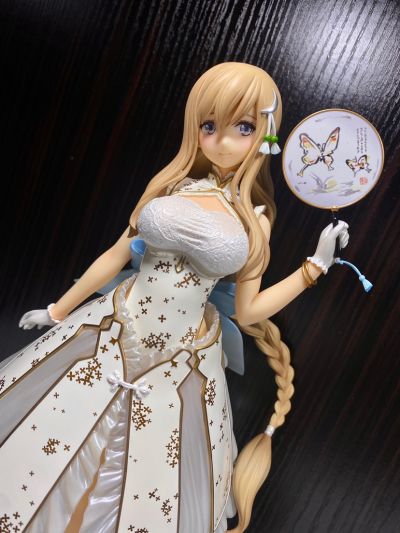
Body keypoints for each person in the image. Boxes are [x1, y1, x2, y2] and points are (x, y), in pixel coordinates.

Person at [0, 62, 349, 533]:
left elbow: (248, 311)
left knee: (149, 471)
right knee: (51, 437)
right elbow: (115, 254)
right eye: (210, 125)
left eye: (244, 128)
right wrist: (58, 310)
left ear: (266, 134)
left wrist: (314, 268)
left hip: (181, 359)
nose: (222, 141)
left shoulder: (256, 217)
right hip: (109, 328)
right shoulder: (169, 186)